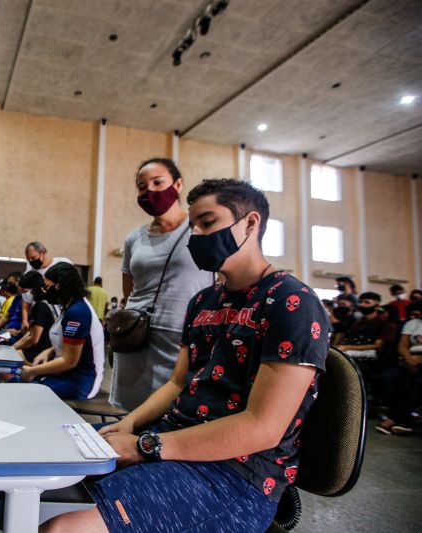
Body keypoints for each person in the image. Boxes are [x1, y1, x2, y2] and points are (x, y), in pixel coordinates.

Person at [42, 178, 330, 533]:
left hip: (234, 474)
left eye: (208, 223)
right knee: (47, 458)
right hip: (171, 439)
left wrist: (146, 446)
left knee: (62, 528)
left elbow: (263, 427)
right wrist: (131, 423)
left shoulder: (292, 302)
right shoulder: (203, 302)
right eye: (193, 226)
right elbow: (178, 382)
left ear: (251, 223)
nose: (196, 235)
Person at [111, 157, 213, 411]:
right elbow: (129, 289)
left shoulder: (200, 229)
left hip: (182, 339)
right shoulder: (134, 238)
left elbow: (220, 281)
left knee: (176, 411)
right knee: (132, 411)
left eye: (158, 182)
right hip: (137, 337)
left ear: (178, 185)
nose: (150, 191)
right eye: (142, 186)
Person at [20, 263, 104, 399]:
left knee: (23, 392)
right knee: (17, 382)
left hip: (80, 381)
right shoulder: (68, 307)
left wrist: (32, 371)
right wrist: (49, 351)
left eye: (47, 287)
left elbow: (69, 360)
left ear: (59, 285)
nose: (45, 291)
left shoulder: (77, 312)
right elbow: (65, 342)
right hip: (64, 371)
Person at [376, 300, 422, 435]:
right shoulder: (413, 323)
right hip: (409, 359)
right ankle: (403, 419)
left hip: (419, 360)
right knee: (389, 377)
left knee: (418, 383)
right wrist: (409, 360)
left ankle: (394, 419)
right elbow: (402, 345)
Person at [334, 292, 397, 363]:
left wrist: (347, 347)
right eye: (360, 302)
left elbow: (377, 345)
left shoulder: (386, 324)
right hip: (350, 354)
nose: (362, 305)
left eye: (367, 302)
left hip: (371, 360)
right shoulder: (358, 321)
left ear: (377, 305)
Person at [22, 242, 72, 330]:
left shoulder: (63, 264)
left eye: (33, 257)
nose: (31, 261)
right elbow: (26, 301)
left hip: (65, 314)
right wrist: (24, 320)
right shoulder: (30, 274)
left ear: (43, 252)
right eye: (29, 259)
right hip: (43, 320)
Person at [12, 271, 57, 363]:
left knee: (8, 353)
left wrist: (13, 348)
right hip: (20, 335)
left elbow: (34, 339)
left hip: (39, 350)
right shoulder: (46, 302)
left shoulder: (40, 306)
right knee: (5, 339)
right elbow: (30, 333)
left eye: (24, 291)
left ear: (35, 289)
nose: (23, 295)